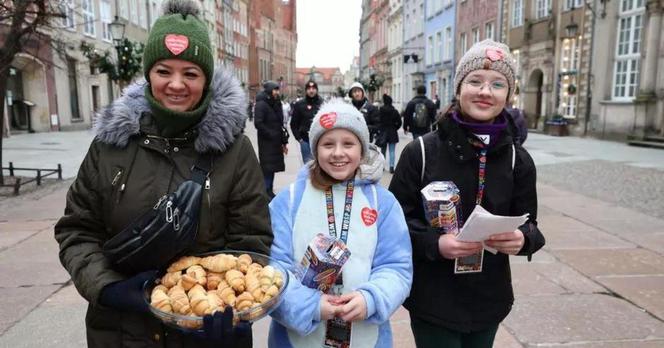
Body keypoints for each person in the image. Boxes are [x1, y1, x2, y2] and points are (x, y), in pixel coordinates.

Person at [53, 1, 272, 347]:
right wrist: (108, 287)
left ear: (206, 79)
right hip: (121, 332)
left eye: (190, 73)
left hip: (206, 336)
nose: (176, 84)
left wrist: (233, 305)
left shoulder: (235, 150)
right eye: (163, 71)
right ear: (148, 74)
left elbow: (251, 243)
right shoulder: (112, 143)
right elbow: (77, 230)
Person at [389, 39, 545, 348]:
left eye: (497, 84)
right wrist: (436, 243)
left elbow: (533, 227)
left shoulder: (518, 159)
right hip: (434, 298)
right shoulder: (420, 152)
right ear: (459, 88)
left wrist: (523, 239)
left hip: (489, 298)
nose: (485, 92)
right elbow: (392, 225)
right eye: (475, 81)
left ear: (508, 95)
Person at [267, 99, 413, 347]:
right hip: (297, 338)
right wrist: (309, 306)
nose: (337, 153)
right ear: (315, 149)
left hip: (364, 334)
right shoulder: (288, 201)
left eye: (348, 143)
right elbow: (273, 269)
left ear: (361, 149)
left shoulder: (382, 202)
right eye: (327, 144)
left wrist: (371, 299)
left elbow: (396, 266)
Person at [255, 80, 288, 199]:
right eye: (275, 90)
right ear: (269, 90)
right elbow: (258, 123)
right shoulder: (261, 104)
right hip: (266, 143)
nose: (277, 92)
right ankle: (265, 192)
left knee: (272, 167)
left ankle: (269, 190)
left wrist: (283, 140)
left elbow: (280, 122)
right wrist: (271, 134)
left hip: (276, 142)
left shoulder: (275, 103)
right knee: (267, 168)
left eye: (277, 90)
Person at [290, 80, 323, 164]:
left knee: (321, 164)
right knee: (308, 165)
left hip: (319, 140)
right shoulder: (299, 104)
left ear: (316, 90)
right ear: (306, 90)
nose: (311, 91)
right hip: (305, 140)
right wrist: (299, 139)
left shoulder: (322, 103)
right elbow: (293, 124)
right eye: (309, 89)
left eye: (313, 88)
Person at [376, 93, 402, 173]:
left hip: (383, 132)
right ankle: (391, 167)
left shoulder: (381, 110)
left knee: (383, 151)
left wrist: (379, 129)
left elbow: (378, 121)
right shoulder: (394, 111)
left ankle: (383, 167)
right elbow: (399, 122)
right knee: (392, 151)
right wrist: (395, 128)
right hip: (392, 132)